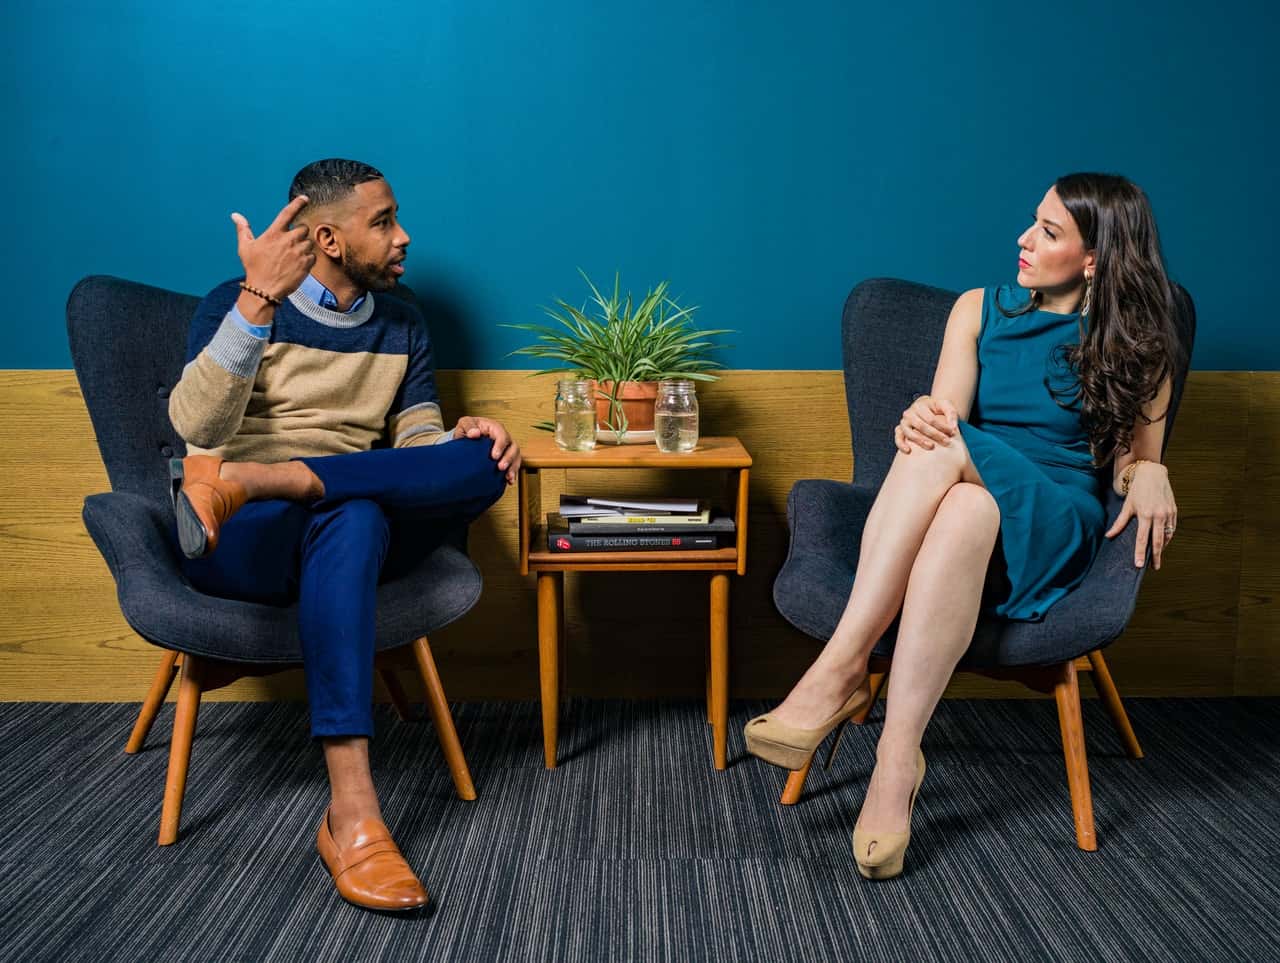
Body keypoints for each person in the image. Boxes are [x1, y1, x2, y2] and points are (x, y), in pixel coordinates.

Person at [744, 172, 1182, 879]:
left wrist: (1150, 471)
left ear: (1095, 257)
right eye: (1031, 221)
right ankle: (895, 763)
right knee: (960, 490)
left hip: (1056, 516)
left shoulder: (1140, 343)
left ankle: (840, 665)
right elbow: (940, 419)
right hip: (974, 508)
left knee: (948, 449)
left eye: (1047, 230)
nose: (1023, 238)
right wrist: (919, 416)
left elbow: (1132, 464)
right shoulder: (977, 310)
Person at [167, 158, 522, 911]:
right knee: (355, 510)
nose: (404, 236)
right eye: (384, 222)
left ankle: (272, 476)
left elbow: (416, 432)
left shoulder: (403, 321)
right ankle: (354, 811)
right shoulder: (236, 304)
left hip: (323, 518)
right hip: (237, 535)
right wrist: (258, 301)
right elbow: (195, 428)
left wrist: (456, 439)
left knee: (485, 464)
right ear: (327, 237)